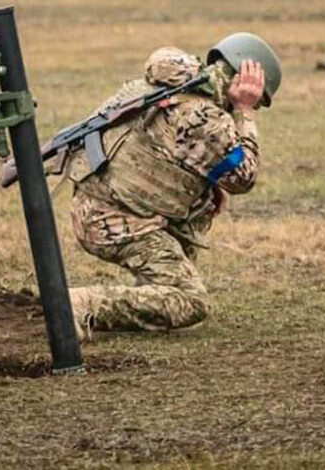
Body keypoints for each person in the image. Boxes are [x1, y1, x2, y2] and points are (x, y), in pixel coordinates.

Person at [63, 33, 282, 340]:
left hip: (97, 205)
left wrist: (210, 186)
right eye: (258, 97)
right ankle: (80, 305)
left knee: (202, 203)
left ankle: (152, 294)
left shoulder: (174, 85)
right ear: (243, 78)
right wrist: (244, 111)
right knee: (191, 302)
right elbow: (243, 178)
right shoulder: (206, 117)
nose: (256, 103)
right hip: (111, 220)